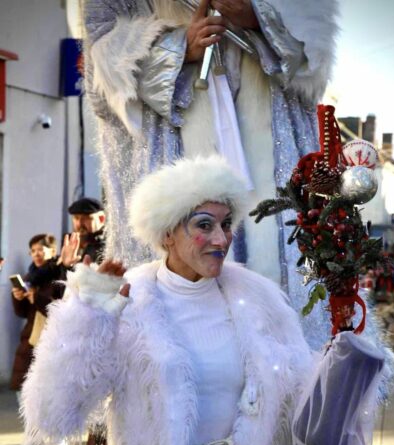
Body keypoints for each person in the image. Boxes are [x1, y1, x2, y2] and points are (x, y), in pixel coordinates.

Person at [22, 157, 377, 445]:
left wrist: (347, 354)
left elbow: (298, 397)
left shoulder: (257, 299)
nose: (221, 239)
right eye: (203, 225)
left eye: (226, 224)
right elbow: (55, 413)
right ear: (167, 232)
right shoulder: (126, 298)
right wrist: (89, 317)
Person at [82, 0, 338, 347]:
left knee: (286, 311)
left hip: (273, 144)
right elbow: (101, 69)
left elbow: (313, 50)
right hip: (173, 136)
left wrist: (259, 18)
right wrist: (175, 49)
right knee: (171, 330)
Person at [58, 197, 108, 445]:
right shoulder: (75, 246)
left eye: (86, 218)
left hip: (105, 331)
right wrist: (65, 266)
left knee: (102, 399)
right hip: (80, 333)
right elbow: (60, 293)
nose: (80, 223)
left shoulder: (108, 245)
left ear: (101, 218)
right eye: (76, 218)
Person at [11, 234, 68, 445]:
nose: (36, 254)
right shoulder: (29, 278)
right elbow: (22, 313)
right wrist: (18, 297)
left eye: (41, 249)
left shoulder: (60, 274)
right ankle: (34, 437)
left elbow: (60, 308)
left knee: (56, 392)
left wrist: (37, 298)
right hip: (31, 341)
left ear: (52, 252)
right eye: (33, 250)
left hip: (55, 341)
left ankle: (60, 439)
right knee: (25, 391)